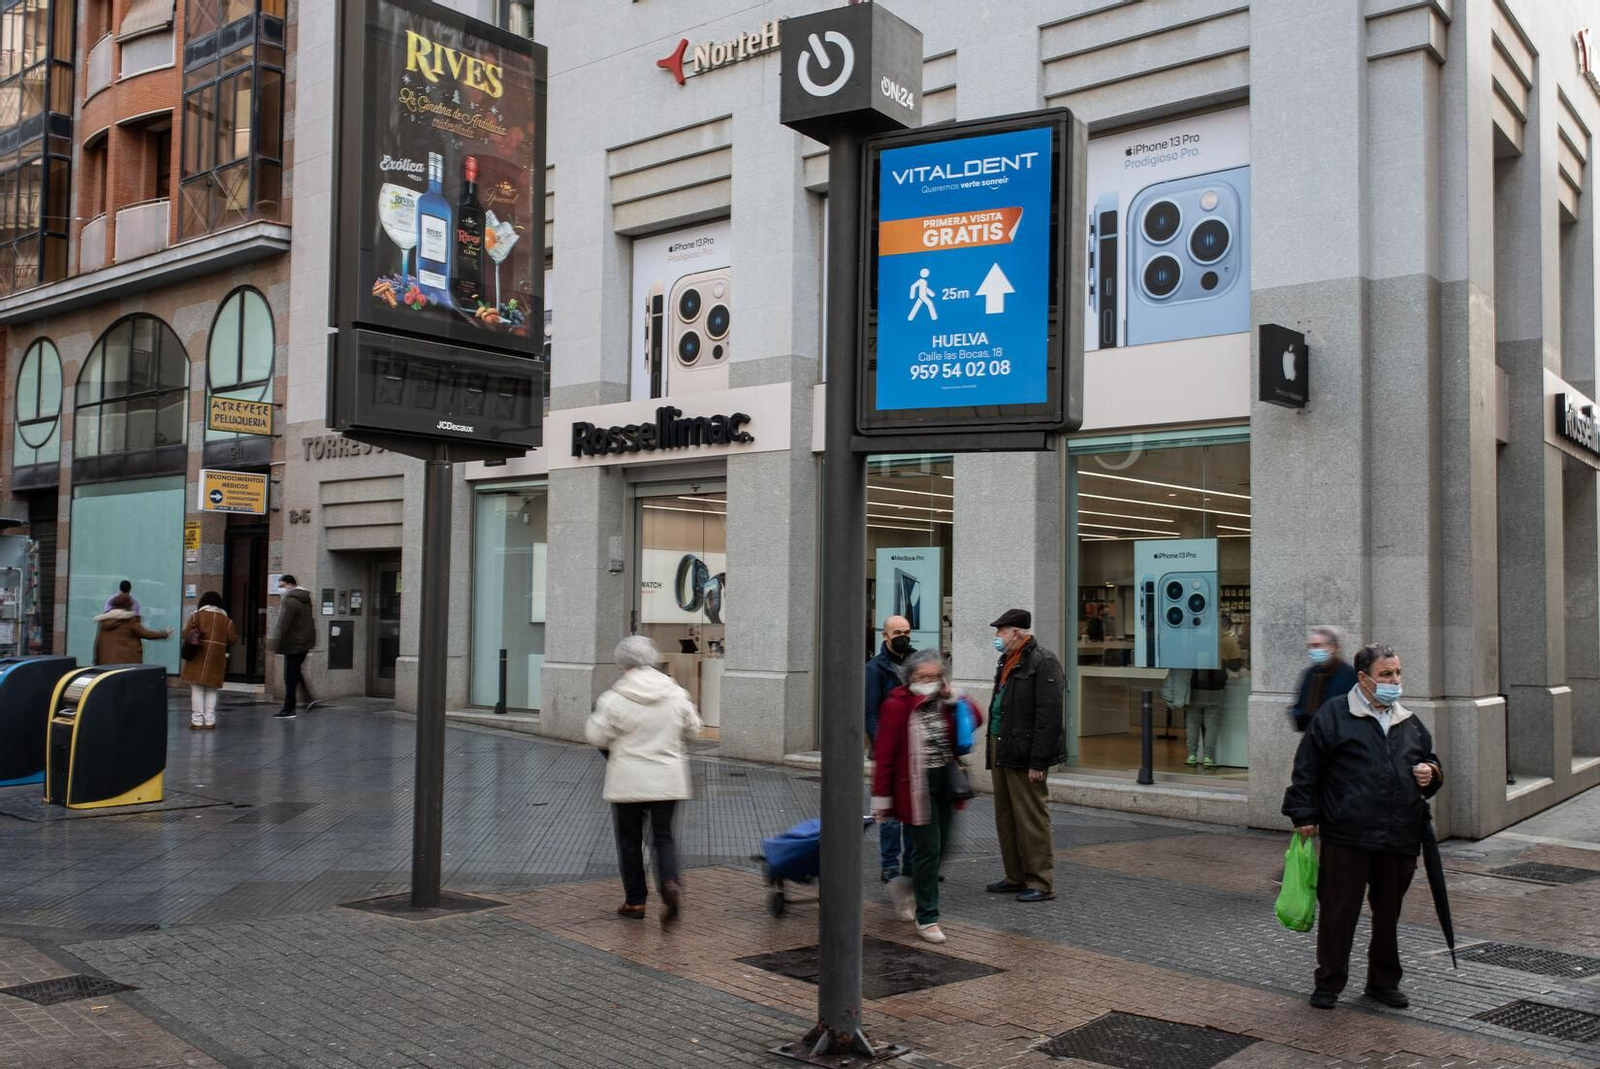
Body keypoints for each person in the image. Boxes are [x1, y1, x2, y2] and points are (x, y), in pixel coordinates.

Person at [1282, 642, 1444, 1012]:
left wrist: (1430, 773)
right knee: (1340, 911)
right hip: (1348, 833)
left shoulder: (1409, 720)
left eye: (1398, 673)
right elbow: (1307, 767)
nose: (1395, 680)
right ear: (1363, 678)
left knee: (1388, 914)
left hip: (1398, 833)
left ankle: (1383, 982)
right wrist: (1304, 814)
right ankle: (1329, 981)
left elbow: (1429, 764)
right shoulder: (1335, 715)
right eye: (1386, 674)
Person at [586, 635, 701, 927]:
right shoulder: (675, 693)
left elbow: (597, 736)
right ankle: (670, 883)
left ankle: (635, 901)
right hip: (668, 778)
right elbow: (694, 729)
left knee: (630, 841)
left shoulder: (614, 697)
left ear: (622, 664)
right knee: (663, 837)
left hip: (628, 780)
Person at [871, 649, 979, 944]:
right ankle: (928, 916)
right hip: (914, 786)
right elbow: (885, 754)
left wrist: (956, 698)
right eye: (923, 677)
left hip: (946, 780)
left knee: (942, 846)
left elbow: (976, 719)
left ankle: (905, 886)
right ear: (909, 678)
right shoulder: (897, 704)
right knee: (929, 848)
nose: (929, 681)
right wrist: (882, 797)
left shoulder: (947, 700)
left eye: (935, 676)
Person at [984, 608, 1065, 902]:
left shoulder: (1042, 661)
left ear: (1016, 632)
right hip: (1002, 745)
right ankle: (1015, 875)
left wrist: (1038, 761)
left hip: (1025, 749)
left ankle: (1040, 881)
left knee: (1031, 816)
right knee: (1006, 815)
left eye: (1000, 631)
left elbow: (1049, 716)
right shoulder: (1007, 660)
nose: (997, 637)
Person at [866, 614, 916, 882]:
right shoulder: (875, 668)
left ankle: (911, 864)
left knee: (912, 810)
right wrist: (883, 744)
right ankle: (889, 866)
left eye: (906, 631)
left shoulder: (918, 662)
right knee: (889, 814)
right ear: (884, 636)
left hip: (914, 751)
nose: (903, 637)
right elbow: (870, 713)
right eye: (897, 633)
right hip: (888, 751)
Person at [1186, 613, 1245, 767]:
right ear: (1227, 626)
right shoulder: (1229, 640)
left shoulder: (1197, 636)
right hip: (1215, 686)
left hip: (1194, 685)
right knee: (1211, 723)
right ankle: (1208, 757)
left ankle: (1192, 755)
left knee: (1192, 722)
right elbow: (1235, 666)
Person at [179, 592, 238, 730]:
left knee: (197, 689)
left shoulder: (196, 616)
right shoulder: (226, 620)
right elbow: (233, 639)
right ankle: (210, 721)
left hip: (197, 657)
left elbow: (184, 633)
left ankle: (197, 721)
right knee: (212, 690)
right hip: (216, 659)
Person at [1290, 626, 1359, 731]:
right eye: (1310, 647)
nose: (1313, 650)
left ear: (1333, 647)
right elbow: (1299, 707)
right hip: (1313, 737)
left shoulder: (1349, 674)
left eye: (1317, 646)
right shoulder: (1310, 674)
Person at [269, 575, 316, 720]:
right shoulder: (305, 599)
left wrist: (274, 642)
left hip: (293, 643)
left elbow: (284, 623)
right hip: (305, 642)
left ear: (290, 585)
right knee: (295, 671)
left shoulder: (290, 600)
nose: (280, 589)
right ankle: (309, 698)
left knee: (290, 676)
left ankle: (289, 709)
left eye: (282, 586)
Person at [92, 592, 170, 665]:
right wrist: (164, 633)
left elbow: (98, 642)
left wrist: (97, 660)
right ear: (128, 606)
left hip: (107, 664)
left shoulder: (104, 621)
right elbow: (147, 634)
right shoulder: (129, 621)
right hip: (127, 664)